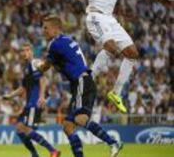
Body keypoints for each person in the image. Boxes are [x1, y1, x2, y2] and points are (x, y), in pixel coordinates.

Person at [74, 0, 173, 113]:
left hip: (110, 19)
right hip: (95, 16)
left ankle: (116, 92)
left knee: (132, 53)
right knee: (111, 48)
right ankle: (87, 80)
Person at [36, 16, 122, 157]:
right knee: (68, 126)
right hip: (84, 82)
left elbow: (46, 66)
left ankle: (113, 142)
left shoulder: (54, 44)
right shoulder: (67, 40)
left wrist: (38, 67)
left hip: (81, 81)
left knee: (79, 119)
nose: (43, 30)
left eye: (46, 27)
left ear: (55, 28)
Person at [3, 42, 61, 157]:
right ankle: (35, 154)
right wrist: (10, 95)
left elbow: (43, 79)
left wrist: (41, 96)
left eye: (27, 50)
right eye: (22, 51)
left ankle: (52, 150)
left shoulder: (35, 63)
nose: (24, 53)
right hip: (29, 103)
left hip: (35, 102)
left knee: (26, 129)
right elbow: (23, 88)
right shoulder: (26, 68)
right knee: (19, 130)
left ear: (32, 52)